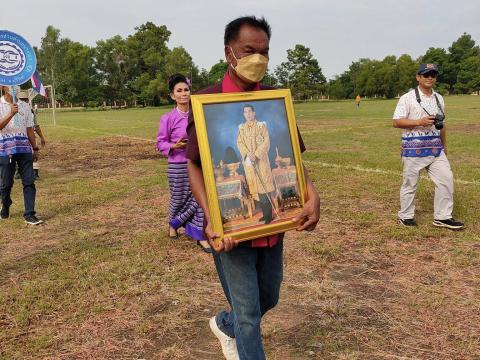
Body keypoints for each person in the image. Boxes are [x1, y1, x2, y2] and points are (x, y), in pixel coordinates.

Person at [186, 16, 321, 360]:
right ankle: (239, 330)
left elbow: (292, 155)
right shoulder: (206, 102)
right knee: (249, 316)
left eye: (264, 52)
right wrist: (211, 218)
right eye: (249, 50)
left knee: (269, 297)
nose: (257, 58)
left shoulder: (274, 102)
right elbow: (194, 164)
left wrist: (312, 195)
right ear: (229, 53)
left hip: (274, 224)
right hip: (229, 228)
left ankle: (224, 323)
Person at [392, 63, 464, 230]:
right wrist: (419, 121)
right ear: (418, 77)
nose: (430, 77)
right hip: (413, 149)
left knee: (446, 179)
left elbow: (442, 123)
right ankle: (406, 216)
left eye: (433, 74)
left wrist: (444, 145)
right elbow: (396, 122)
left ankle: (443, 217)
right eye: (426, 74)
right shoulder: (407, 98)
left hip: (435, 149)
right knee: (410, 184)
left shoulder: (439, 98)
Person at [156, 74, 212, 253]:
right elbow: (160, 143)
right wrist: (174, 145)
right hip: (177, 165)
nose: (183, 94)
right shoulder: (167, 118)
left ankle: (200, 235)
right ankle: (173, 224)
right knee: (178, 199)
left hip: (196, 163)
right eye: (179, 91)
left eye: (186, 90)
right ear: (172, 95)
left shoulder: (198, 114)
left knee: (200, 198)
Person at [0, 86, 43, 225]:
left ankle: (29, 214)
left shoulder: (25, 106)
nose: (14, 86)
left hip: (24, 149)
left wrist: (35, 148)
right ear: (2, 87)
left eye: (17, 83)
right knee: (5, 184)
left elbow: (30, 129)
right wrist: (11, 114)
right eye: (10, 84)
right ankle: (5, 204)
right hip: (5, 149)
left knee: (29, 181)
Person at [236, 104, 275, 224]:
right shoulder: (241, 128)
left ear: (254, 113)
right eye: (245, 112)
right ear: (244, 114)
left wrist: (256, 154)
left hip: (261, 161)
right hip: (249, 161)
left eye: (249, 111)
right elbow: (239, 143)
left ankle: (269, 215)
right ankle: (264, 214)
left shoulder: (261, 126)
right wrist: (248, 154)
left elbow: (266, 142)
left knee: (264, 187)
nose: (248, 114)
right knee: (257, 190)